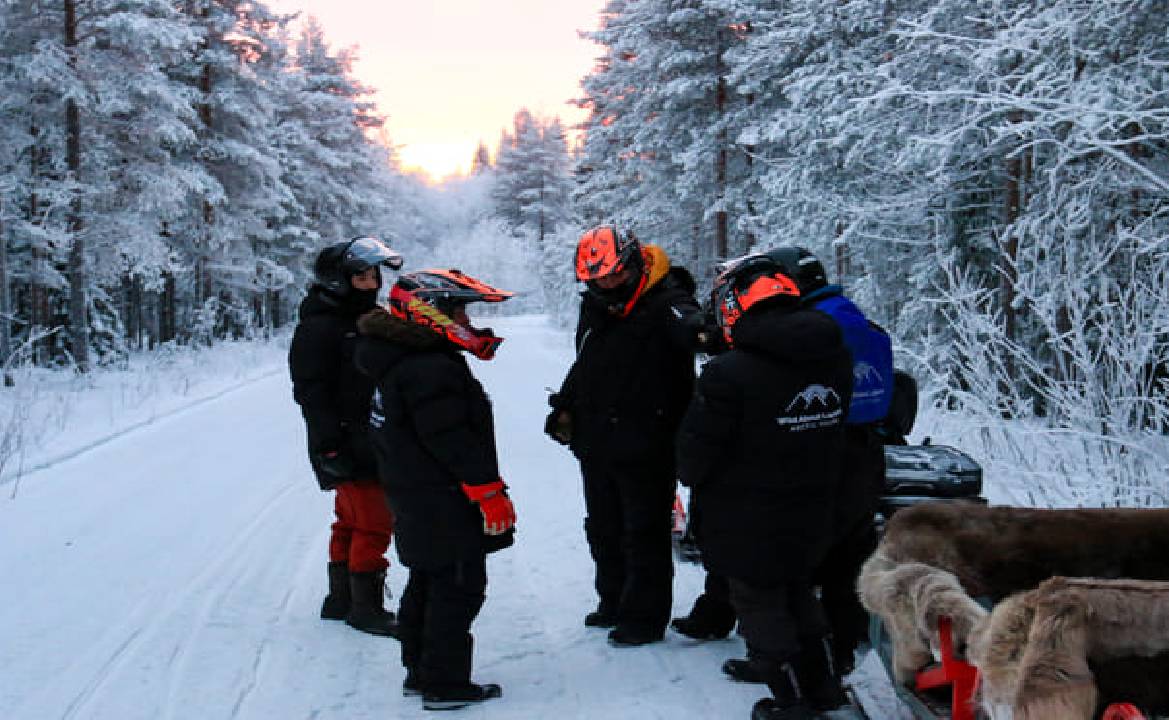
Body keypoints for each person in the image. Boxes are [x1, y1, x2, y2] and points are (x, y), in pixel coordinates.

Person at [674, 246, 891, 679]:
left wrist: (694, 475)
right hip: (817, 494)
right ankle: (823, 678)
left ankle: (788, 684)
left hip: (751, 506)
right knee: (799, 590)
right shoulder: (835, 354)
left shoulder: (730, 372)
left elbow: (698, 448)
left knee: (760, 597)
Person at [355, 269, 516, 710]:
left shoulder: (404, 358)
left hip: (415, 491)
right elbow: (450, 438)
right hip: (443, 495)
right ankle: (444, 683)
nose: (466, 318)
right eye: (458, 309)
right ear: (431, 312)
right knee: (458, 586)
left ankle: (420, 671)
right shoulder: (428, 368)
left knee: (427, 579)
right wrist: (487, 490)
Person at [544, 224, 704, 647]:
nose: (608, 283)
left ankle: (644, 618)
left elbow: (696, 330)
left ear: (634, 263)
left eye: (616, 274)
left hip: (648, 441)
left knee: (644, 532)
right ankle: (612, 599)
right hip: (597, 439)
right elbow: (589, 360)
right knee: (602, 527)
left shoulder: (667, 301)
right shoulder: (597, 307)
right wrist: (566, 402)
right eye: (598, 278)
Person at [288, 236, 403, 638]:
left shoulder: (360, 319)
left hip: (363, 435)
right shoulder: (321, 327)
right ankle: (366, 607)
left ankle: (340, 599)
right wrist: (329, 445)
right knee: (374, 520)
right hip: (346, 440)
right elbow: (311, 392)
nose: (372, 284)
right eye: (362, 278)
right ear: (338, 281)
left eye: (374, 276)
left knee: (349, 519)